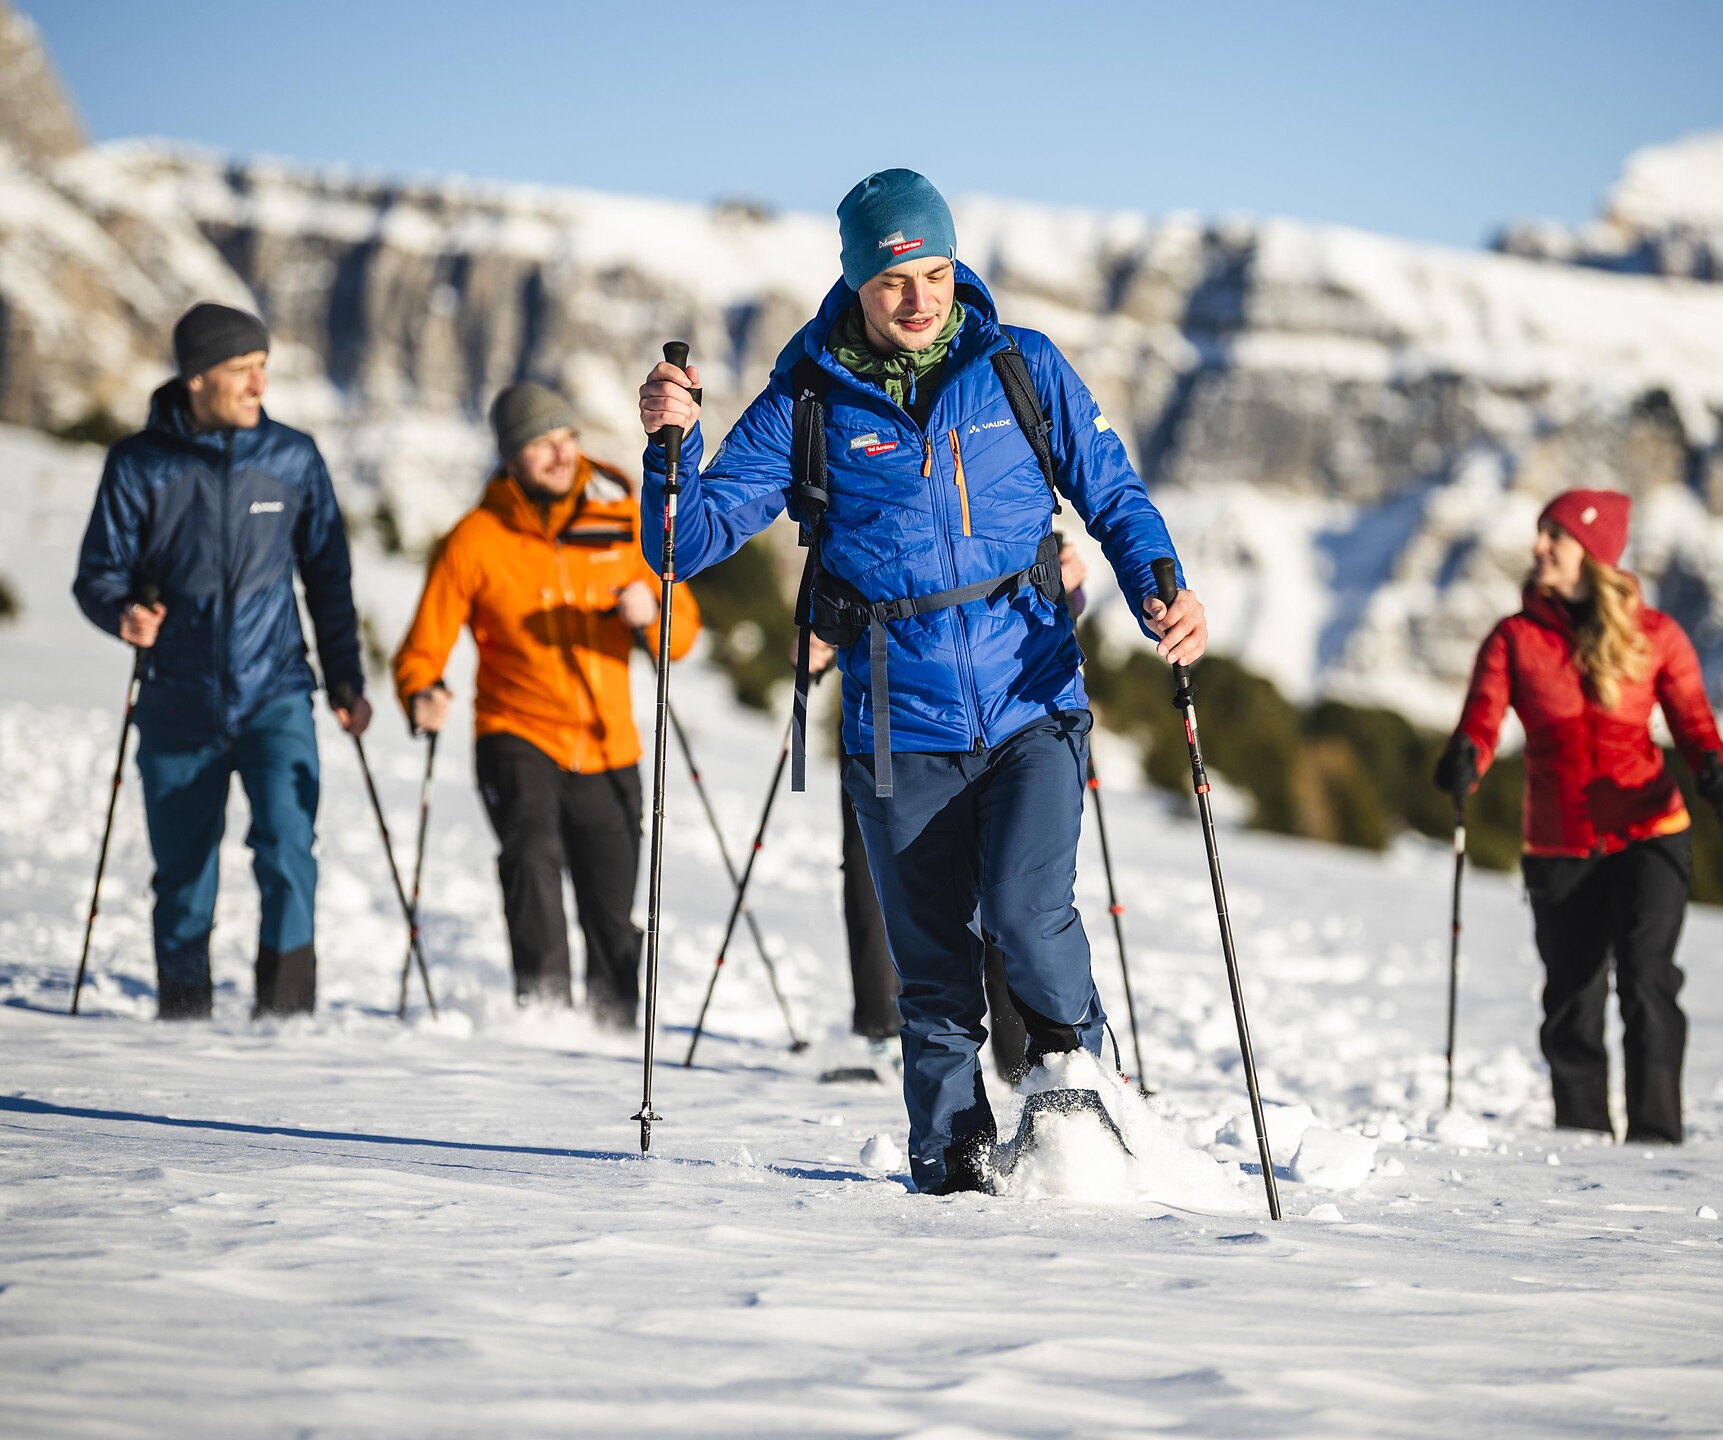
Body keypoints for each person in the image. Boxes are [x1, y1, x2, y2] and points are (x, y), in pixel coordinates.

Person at [637, 169, 1206, 1194]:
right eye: (896, 278)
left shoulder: (1019, 368)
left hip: (1032, 699)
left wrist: (1161, 584)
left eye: (936, 272)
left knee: (1028, 913)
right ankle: (949, 1172)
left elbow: (1112, 492)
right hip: (896, 726)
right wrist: (669, 448)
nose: (920, 297)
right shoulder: (808, 398)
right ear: (857, 281)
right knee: (935, 975)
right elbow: (684, 542)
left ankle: (1083, 1097)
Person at [72, 302, 369, 1019]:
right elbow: (98, 572)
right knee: (184, 874)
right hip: (177, 696)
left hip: (275, 692)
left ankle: (287, 1018)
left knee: (289, 849)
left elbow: (327, 576)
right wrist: (122, 612)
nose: (257, 384)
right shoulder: (139, 463)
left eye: (263, 368)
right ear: (198, 376)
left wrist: (347, 679)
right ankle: (183, 1017)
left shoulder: (292, 458)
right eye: (242, 369)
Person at [1434, 488, 1723, 1144]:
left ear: (1594, 553)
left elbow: (1692, 719)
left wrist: (1712, 766)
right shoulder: (1514, 638)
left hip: (1651, 830)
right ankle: (1581, 1142)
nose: (1539, 546)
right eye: (1541, 532)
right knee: (1572, 994)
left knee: (1647, 976)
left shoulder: (1655, 636)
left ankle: (1658, 1139)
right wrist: (1467, 756)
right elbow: (1483, 718)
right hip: (1558, 841)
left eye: (1556, 535)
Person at [391, 383, 700, 1027]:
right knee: (530, 859)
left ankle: (615, 1030)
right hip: (516, 731)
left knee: (612, 903)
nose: (560, 454)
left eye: (566, 437)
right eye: (540, 444)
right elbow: (424, 646)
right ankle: (543, 1012)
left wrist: (654, 613)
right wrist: (422, 690)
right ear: (510, 457)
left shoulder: (622, 518)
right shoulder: (475, 540)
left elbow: (684, 634)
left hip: (609, 742)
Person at [817, 537, 1092, 1083]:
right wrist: (815, 629)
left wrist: (1070, 582)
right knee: (887, 888)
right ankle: (881, 1034)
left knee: (1008, 895)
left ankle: (1024, 1062)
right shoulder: (850, 461)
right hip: (892, 716)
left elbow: (1057, 600)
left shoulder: (1010, 468)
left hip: (1010, 714)